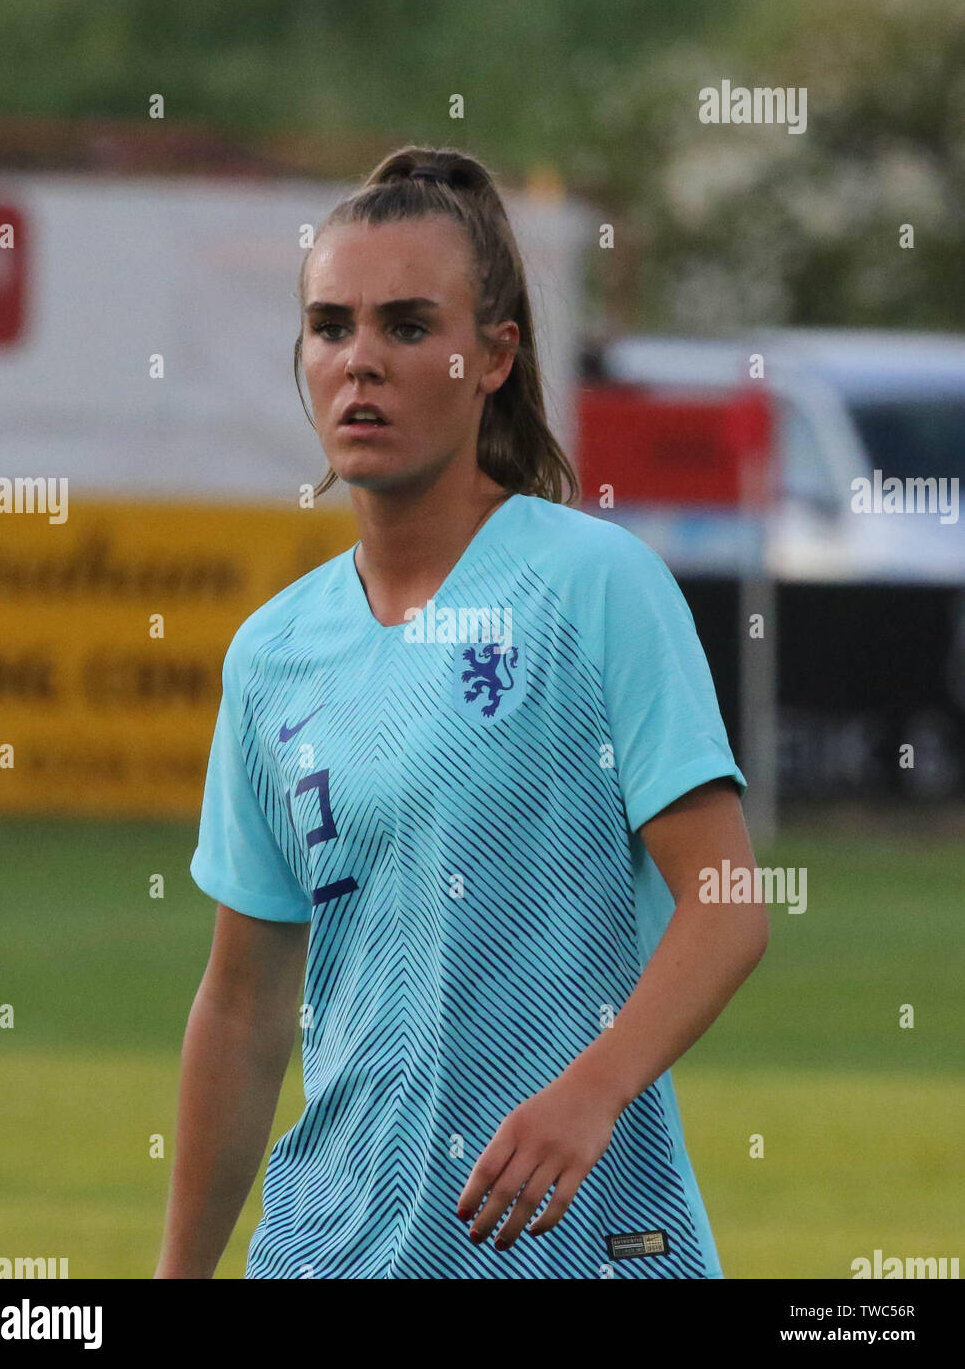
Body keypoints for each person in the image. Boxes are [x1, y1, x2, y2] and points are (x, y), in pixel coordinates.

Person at [154, 145, 768, 1280]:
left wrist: (590, 1091)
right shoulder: (273, 655)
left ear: (492, 357)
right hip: (326, 1249)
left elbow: (727, 905)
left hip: (573, 1244)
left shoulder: (597, 585)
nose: (361, 363)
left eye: (405, 325)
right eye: (331, 327)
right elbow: (242, 1010)